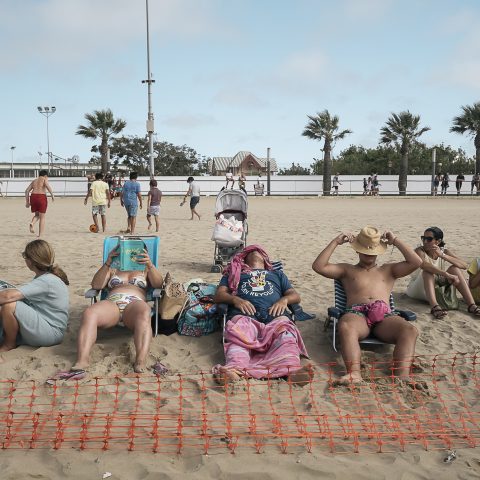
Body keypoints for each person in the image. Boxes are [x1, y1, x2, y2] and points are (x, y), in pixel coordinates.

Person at [312, 226, 422, 384]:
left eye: (371, 250)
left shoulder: (388, 270)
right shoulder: (347, 270)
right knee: (346, 327)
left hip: (384, 315)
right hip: (357, 314)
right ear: (357, 250)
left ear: (378, 250)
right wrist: (335, 242)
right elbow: (318, 266)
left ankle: (402, 375)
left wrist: (395, 240)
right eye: (364, 250)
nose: (368, 254)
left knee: (410, 330)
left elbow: (416, 262)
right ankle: (354, 373)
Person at [212, 245, 313, 385]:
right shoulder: (234, 274)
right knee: (239, 337)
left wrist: (284, 300)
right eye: (250, 251)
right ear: (244, 259)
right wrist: (236, 299)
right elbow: (219, 295)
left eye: (259, 250)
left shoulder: (277, 275)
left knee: (286, 337)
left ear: (265, 260)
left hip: (275, 316)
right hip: (244, 316)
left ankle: (291, 371)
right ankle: (233, 371)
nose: (254, 251)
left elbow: (294, 295)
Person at [70, 244, 163, 375]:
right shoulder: (112, 269)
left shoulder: (145, 269)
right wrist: (107, 263)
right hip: (112, 303)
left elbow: (159, 285)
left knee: (144, 311)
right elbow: (96, 285)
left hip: (135, 303)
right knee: (89, 313)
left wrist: (150, 265)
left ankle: (140, 361)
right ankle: (82, 359)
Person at [0, 240, 69, 355]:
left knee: (10, 305)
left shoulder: (47, 281)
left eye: (25, 256)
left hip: (50, 332)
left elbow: (8, 296)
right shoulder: (46, 278)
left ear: (31, 261)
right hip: (48, 326)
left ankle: (9, 344)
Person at [406, 227, 480, 318]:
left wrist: (442, 255)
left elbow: (464, 265)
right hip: (418, 289)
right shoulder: (419, 251)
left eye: (428, 239)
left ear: (438, 241)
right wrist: (446, 274)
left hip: (434, 287)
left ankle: (472, 305)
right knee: (427, 272)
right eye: (423, 238)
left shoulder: (444, 251)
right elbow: (424, 265)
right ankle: (434, 307)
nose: (425, 241)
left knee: (455, 269)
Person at [25, 170, 54, 237]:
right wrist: (52, 195)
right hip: (41, 197)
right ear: (45, 176)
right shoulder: (44, 179)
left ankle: (32, 223)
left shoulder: (34, 181)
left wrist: (27, 202)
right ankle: (40, 235)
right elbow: (48, 187)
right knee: (42, 217)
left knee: (37, 215)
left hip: (33, 197)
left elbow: (26, 191)